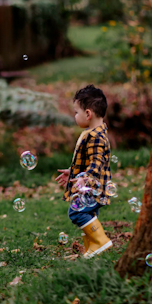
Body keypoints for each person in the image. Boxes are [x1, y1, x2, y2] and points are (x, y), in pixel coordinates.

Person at [55, 85, 112, 258]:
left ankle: (101, 241)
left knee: (76, 213)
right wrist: (72, 172)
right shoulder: (93, 132)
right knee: (88, 213)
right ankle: (92, 247)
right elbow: (86, 161)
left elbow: (96, 163)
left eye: (76, 112)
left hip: (91, 186)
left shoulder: (96, 137)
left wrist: (84, 178)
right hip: (89, 185)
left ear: (88, 114)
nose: (75, 116)